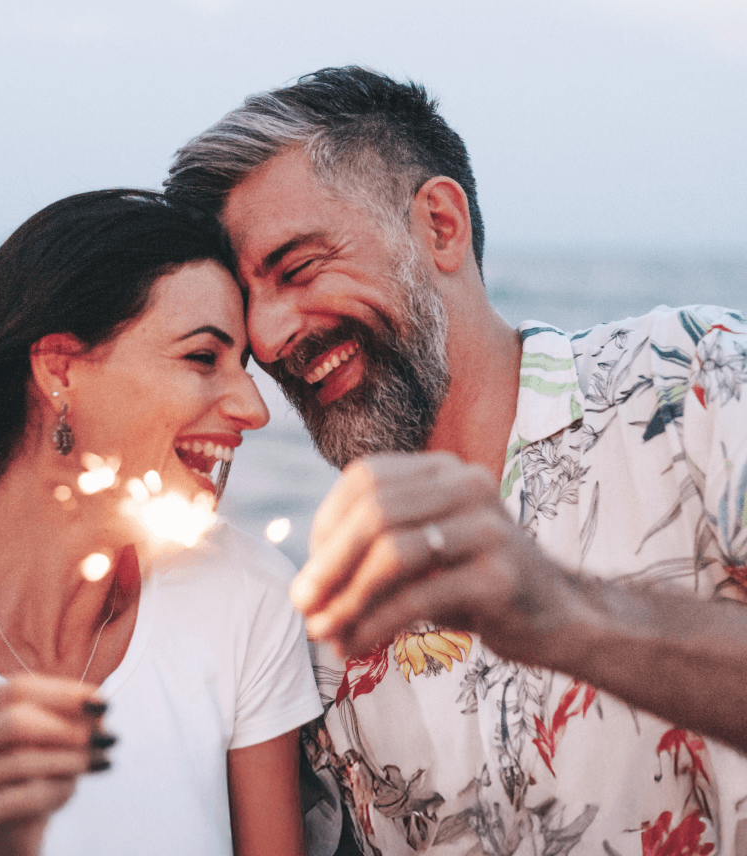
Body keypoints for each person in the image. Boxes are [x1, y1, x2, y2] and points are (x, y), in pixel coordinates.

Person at [165, 68, 747, 856]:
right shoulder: (327, 634)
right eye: (247, 304)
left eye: (298, 270)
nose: (268, 339)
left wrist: (567, 615)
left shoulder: (696, 382)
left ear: (440, 225)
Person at [0, 189, 321, 856]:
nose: (252, 407)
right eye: (202, 358)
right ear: (60, 369)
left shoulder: (244, 593)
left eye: (244, 367)